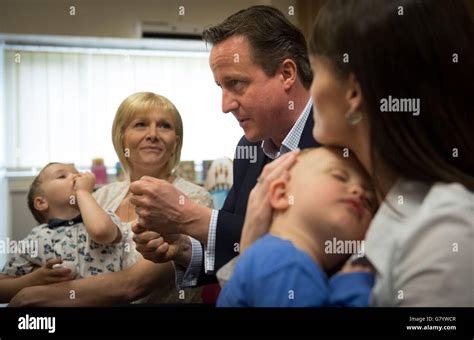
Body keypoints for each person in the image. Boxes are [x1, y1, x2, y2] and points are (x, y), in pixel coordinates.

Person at [239, 0, 474, 306]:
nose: (310, 90)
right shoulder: (381, 205)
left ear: (352, 94)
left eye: (316, 70)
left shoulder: (445, 228)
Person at [131, 5, 319, 289]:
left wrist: (189, 216)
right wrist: (183, 248)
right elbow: (236, 243)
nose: (225, 105)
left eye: (236, 83)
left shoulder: (338, 139)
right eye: (221, 86)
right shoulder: (249, 150)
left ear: (287, 74)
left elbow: (310, 248)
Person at [8, 92, 213, 306]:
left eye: (164, 126)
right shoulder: (101, 196)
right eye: (141, 124)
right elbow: (57, 251)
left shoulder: (194, 199)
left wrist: (35, 295)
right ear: (121, 137)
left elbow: (134, 285)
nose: (153, 134)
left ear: (175, 142)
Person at [217, 147, 376, 307]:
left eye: (369, 201)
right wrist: (353, 291)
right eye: (340, 176)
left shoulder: (274, 258)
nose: (359, 192)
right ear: (280, 194)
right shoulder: (286, 263)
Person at [0, 163, 127, 302]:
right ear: (41, 203)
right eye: (62, 176)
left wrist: (83, 193)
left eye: (77, 173)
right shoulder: (34, 240)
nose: (76, 176)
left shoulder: (105, 217)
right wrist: (33, 279)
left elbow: (101, 232)